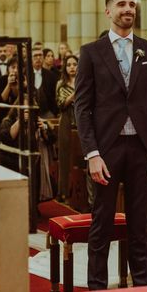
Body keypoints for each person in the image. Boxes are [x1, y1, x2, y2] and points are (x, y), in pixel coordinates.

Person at [74, 0, 147, 290]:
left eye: (131, 4)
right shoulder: (91, 52)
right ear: (108, 11)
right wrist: (92, 154)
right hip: (106, 149)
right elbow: (82, 107)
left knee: (139, 222)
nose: (128, 9)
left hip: (141, 149)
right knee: (101, 221)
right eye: (121, 4)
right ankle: (97, 288)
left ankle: (141, 287)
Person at [56, 54, 82, 202]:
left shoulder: (83, 81)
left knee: (80, 160)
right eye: (69, 65)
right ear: (65, 68)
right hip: (66, 122)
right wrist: (73, 95)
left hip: (81, 122)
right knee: (65, 159)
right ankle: (64, 192)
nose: (72, 67)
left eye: (74, 64)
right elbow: (60, 104)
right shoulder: (61, 84)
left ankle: (79, 194)